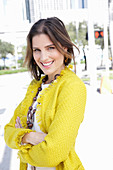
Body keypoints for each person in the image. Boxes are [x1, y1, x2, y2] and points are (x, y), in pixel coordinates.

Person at [4, 17, 87, 170]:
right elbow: (8, 132)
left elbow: (53, 154)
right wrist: (29, 136)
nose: (43, 57)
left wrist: (22, 149)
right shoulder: (36, 86)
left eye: (50, 48)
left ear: (65, 48)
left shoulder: (72, 86)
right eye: (37, 50)